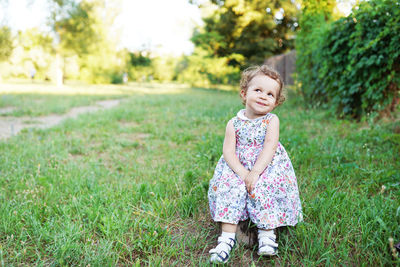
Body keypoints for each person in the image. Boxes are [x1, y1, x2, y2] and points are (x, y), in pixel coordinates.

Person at [208, 64, 303, 264]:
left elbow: (270, 146)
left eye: (270, 94)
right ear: (244, 93)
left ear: (276, 102)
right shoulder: (233, 123)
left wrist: (256, 172)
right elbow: (228, 151)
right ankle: (226, 238)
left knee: (265, 186)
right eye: (257, 90)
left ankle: (267, 234)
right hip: (237, 166)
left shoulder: (271, 121)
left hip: (266, 165)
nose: (263, 96)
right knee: (229, 187)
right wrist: (243, 173)